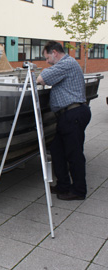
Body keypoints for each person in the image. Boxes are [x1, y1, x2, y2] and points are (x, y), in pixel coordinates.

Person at [36, 41, 91, 201]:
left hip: (72, 114)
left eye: (47, 58)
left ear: (54, 52)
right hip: (68, 115)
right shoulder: (67, 64)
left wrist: (41, 75)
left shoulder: (66, 63)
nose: (47, 62)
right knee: (57, 150)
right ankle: (63, 185)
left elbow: (42, 78)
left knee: (74, 154)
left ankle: (79, 190)